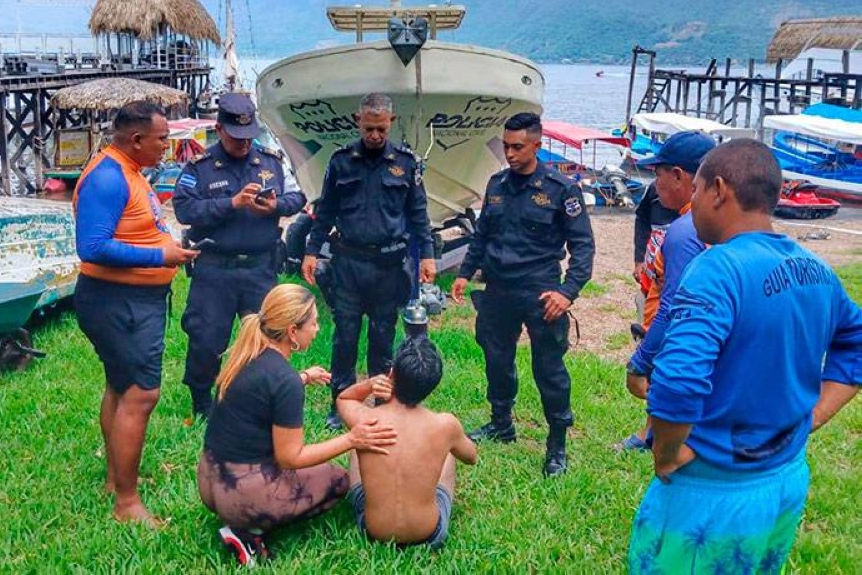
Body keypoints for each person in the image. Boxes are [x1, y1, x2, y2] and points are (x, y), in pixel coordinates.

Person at [627, 139, 862, 574]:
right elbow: (856, 340)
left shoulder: (717, 270)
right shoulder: (817, 269)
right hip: (785, 480)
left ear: (719, 190)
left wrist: (666, 452)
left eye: (696, 189)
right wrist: (815, 414)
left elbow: (677, 382)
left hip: (714, 493)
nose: (692, 202)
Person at [198, 284, 397, 567]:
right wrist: (353, 438)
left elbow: (260, 391)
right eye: (313, 322)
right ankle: (249, 534)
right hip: (242, 496)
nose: (317, 329)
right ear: (292, 331)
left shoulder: (246, 354)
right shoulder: (284, 381)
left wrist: (302, 376)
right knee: (338, 480)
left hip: (210, 482)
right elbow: (291, 457)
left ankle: (242, 521)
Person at [449, 112, 594, 477]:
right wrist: (465, 274)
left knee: (548, 368)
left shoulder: (561, 189)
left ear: (536, 145)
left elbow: (584, 248)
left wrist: (567, 293)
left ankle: (557, 443)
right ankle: (501, 423)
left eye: (517, 147)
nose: (509, 154)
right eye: (505, 146)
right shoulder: (497, 185)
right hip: (498, 289)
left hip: (540, 291)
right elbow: (481, 234)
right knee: (496, 360)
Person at [73, 101, 197, 525]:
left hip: (131, 300)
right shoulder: (107, 178)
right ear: (136, 139)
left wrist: (169, 248)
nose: (168, 145)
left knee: (121, 385)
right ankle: (127, 503)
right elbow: (91, 246)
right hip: (117, 301)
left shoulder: (130, 171)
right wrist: (159, 254)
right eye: (162, 138)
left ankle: (115, 478)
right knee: (141, 394)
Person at [301, 93, 436, 430]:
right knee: (344, 336)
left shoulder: (406, 163)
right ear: (357, 121)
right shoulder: (341, 161)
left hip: (389, 267)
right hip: (348, 264)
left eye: (381, 128)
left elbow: (419, 214)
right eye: (369, 128)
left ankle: (380, 402)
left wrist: (429, 255)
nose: (375, 135)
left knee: (382, 338)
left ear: (390, 122)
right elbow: (325, 211)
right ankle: (340, 403)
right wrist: (311, 250)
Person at [173, 92, 306, 419]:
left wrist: (275, 206)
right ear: (219, 129)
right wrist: (230, 204)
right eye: (236, 138)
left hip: (260, 268)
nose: (244, 144)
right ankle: (202, 404)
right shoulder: (201, 167)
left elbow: (298, 197)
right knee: (206, 340)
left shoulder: (271, 162)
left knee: (267, 339)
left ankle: (259, 399)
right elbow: (183, 208)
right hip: (215, 270)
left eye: (249, 137)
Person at [618, 131, 716, 451]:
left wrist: (640, 361)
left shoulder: (686, 231)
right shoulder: (705, 221)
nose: (655, 184)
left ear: (678, 175)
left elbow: (674, 304)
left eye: (657, 174)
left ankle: (665, 442)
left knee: (667, 383)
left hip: (672, 337)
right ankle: (653, 434)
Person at [337, 337, 477, 550]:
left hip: (374, 531)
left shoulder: (366, 419)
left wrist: (369, 384)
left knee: (359, 443)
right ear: (431, 385)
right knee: (449, 452)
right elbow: (471, 456)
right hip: (429, 533)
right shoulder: (445, 425)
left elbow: (344, 399)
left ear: (391, 374)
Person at [631, 182, 679, 338]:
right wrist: (639, 259)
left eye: (659, 174)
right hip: (651, 282)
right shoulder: (654, 189)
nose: (658, 181)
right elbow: (642, 218)